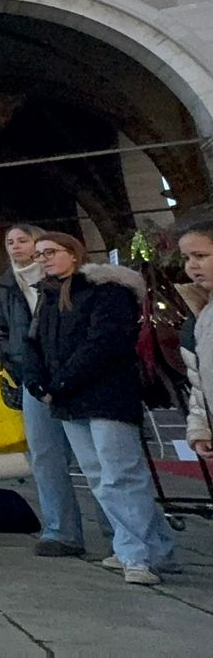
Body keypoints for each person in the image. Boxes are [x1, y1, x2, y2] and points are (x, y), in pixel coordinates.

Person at [27, 232, 178, 586]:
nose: (43, 259)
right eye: (39, 255)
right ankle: (158, 548)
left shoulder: (107, 290)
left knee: (120, 475)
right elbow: (35, 343)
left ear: (74, 254)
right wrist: (37, 379)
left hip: (106, 395)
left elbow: (104, 343)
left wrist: (62, 381)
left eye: (50, 252)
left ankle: (136, 554)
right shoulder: (49, 295)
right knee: (97, 475)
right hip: (68, 398)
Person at [0, 223, 97, 557]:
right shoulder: (5, 286)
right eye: (10, 242)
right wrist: (17, 363)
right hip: (32, 376)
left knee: (94, 458)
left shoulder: (69, 281)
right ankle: (61, 531)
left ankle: (118, 531)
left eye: (23, 240)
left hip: (74, 375)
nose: (16, 246)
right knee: (44, 455)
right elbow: (4, 330)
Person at [177, 223, 213, 465]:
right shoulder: (203, 313)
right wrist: (201, 428)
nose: (191, 265)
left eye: (200, 256)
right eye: (186, 258)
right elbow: (200, 380)